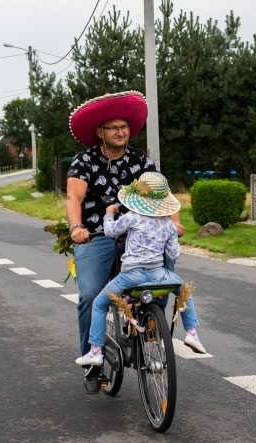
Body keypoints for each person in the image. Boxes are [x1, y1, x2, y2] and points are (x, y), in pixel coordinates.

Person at [65, 90, 187, 393]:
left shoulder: (141, 162)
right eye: (113, 127)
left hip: (140, 234)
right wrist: (77, 227)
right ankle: (92, 361)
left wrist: (174, 223)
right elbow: (73, 198)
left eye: (124, 127)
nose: (121, 132)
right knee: (92, 294)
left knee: (166, 274)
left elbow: (163, 196)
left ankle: (151, 320)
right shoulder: (85, 161)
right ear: (100, 132)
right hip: (99, 233)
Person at [75, 171, 205, 371]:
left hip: (130, 275)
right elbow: (173, 253)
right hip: (157, 274)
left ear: (137, 199)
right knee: (184, 290)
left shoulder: (133, 217)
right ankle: (192, 333)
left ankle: (95, 352)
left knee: (99, 304)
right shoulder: (169, 225)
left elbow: (110, 231)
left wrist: (109, 213)